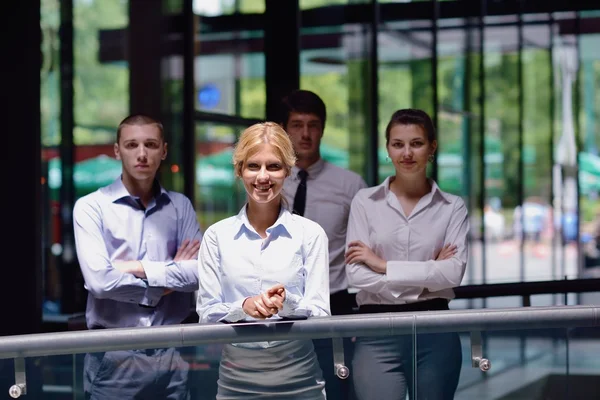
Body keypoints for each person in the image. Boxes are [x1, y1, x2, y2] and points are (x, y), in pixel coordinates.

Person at [197, 122, 330, 399]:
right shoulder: (216, 236)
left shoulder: (311, 233)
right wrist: (244, 307)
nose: (263, 176)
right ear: (239, 170)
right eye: (253, 166)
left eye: (274, 166)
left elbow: (321, 314)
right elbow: (206, 314)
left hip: (301, 379)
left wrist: (288, 303)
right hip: (236, 381)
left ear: (288, 171)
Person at [73, 114, 202, 399]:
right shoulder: (91, 207)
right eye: (132, 145)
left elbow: (200, 274)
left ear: (164, 151)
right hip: (115, 354)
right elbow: (99, 283)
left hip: (174, 352)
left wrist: (136, 267)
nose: (142, 154)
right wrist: (168, 279)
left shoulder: (180, 206)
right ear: (117, 151)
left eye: (150, 145)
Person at [345, 109, 468, 400]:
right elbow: (356, 275)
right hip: (375, 333)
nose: (407, 153)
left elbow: (452, 273)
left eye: (417, 143)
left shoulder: (452, 207)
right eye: (397, 144)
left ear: (432, 147)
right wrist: (426, 277)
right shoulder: (365, 202)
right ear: (387, 148)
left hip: (436, 331)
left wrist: (382, 264)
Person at [280, 90, 367, 399]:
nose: (305, 133)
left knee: (338, 388)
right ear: (285, 129)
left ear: (323, 129)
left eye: (313, 125)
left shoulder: (350, 185)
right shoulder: (268, 181)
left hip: (334, 304)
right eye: (297, 124)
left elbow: (365, 248)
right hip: (280, 306)